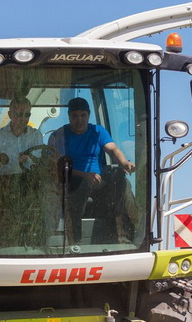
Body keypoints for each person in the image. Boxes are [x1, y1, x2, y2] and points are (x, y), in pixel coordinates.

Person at [49, 97, 136, 243]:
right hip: (72, 182)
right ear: (69, 116)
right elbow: (56, 166)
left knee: (121, 181)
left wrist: (124, 163)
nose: (79, 120)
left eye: (83, 115)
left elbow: (113, 150)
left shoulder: (97, 131)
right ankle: (75, 241)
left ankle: (125, 237)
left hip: (98, 181)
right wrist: (85, 175)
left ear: (88, 115)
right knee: (79, 185)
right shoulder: (60, 135)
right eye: (75, 116)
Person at [0, 96, 43, 176]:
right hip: (4, 181)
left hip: (31, 180)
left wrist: (28, 160)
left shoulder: (36, 135)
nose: (23, 118)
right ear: (10, 115)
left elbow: (38, 161)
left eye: (27, 115)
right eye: (19, 114)